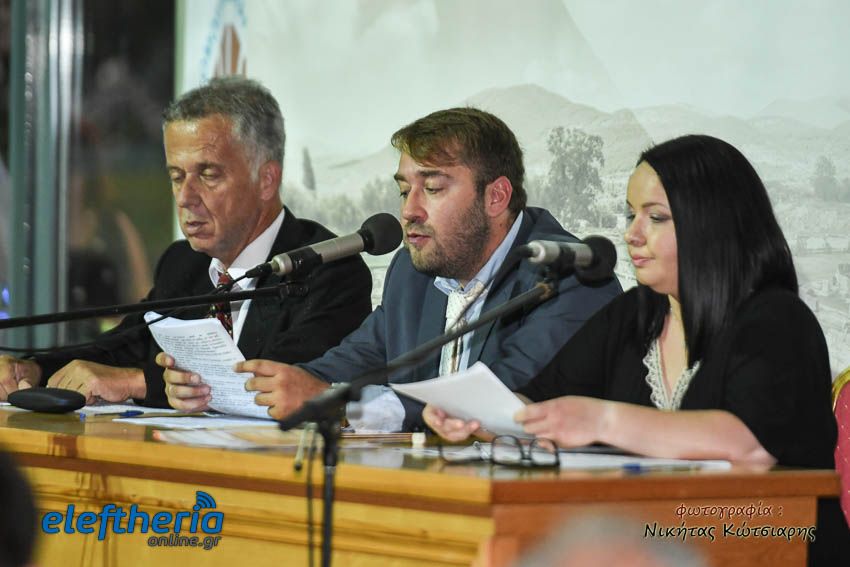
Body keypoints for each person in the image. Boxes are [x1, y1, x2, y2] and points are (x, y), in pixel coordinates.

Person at [159, 107, 621, 430]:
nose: (409, 211)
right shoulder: (412, 271)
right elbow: (353, 360)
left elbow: (497, 399)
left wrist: (337, 405)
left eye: (432, 189)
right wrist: (236, 388)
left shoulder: (569, 276)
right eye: (404, 190)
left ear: (496, 197)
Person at [425, 134, 837, 467]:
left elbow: (750, 445)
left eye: (655, 217)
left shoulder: (778, 320)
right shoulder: (634, 313)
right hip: (655, 533)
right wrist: (476, 414)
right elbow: (541, 402)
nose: (631, 234)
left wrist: (603, 420)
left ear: (713, 225)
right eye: (630, 215)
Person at [0, 77, 373, 406]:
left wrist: (137, 382)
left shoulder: (329, 271)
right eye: (177, 176)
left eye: (208, 174)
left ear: (266, 180)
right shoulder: (183, 263)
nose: (185, 197)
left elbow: (274, 381)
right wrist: (33, 368)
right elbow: (122, 346)